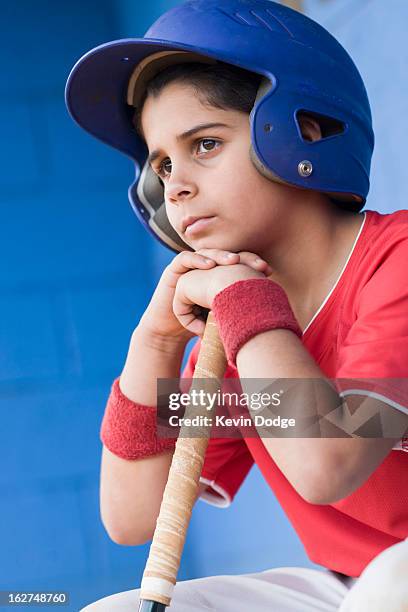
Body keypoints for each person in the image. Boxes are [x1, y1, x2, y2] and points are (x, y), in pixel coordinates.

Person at [65, 1, 408, 610]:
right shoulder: (239, 326)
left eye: (204, 143)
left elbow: (327, 463)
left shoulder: (396, 261)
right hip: (347, 584)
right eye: (162, 163)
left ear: (306, 127)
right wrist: (159, 341)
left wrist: (243, 304)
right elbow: (131, 518)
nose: (175, 185)